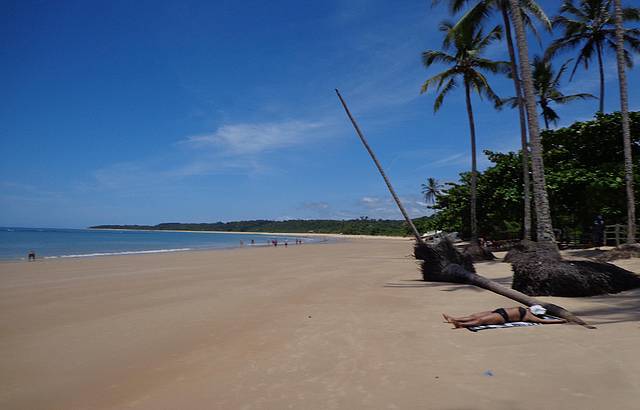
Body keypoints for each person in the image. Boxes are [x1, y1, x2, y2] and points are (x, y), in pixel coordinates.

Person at [442, 305, 566, 329]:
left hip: (502, 317)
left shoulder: (530, 317)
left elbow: (544, 322)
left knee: (479, 321)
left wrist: (560, 321)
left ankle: (461, 324)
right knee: (474, 316)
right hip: (498, 311)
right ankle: (454, 319)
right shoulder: (527, 310)